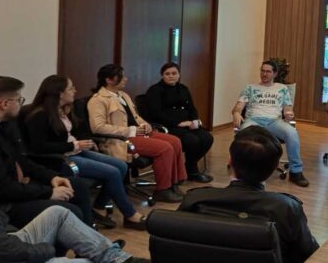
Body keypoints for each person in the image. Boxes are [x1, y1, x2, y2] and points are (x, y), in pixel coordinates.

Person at [0, 125, 148, 263]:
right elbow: (8, 252)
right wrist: (47, 248)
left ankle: (116, 258)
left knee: (58, 214)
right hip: (0, 256)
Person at [0, 76, 92, 228]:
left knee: (77, 186)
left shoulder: (5, 124)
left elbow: (21, 160)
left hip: (15, 187)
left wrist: (51, 177)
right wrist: (49, 192)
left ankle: (90, 242)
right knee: (70, 211)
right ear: (5, 104)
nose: (21, 104)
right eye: (19, 100)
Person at [179, 126, 319, 263]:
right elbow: (309, 255)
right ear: (273, 168)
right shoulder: (287, 209)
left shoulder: (195, 199)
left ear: (230, 161)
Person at [25, 75, 147, 230]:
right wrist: (73, 145)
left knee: (122, 166)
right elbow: (39, 147)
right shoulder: (40, 115)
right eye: (71, 88)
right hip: (59, 159)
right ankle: (130, 215)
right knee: (113, 172)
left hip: (75, 151)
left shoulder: (63, 109)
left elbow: (72, 133)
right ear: (59, 93)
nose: (75, 90)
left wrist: (84, 142)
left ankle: (99, 207)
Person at [87, 64, 187, 203]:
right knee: (165, 148)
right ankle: (163, 190)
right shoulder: (97, 100)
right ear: (109, 80)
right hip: (121, 139)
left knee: (175, 141)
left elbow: (135, 117)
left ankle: (173, 182)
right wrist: (130, 130)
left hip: (137, 133)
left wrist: (145, 125)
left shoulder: (123, 95)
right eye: (121, 76)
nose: (125, 79)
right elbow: (98, 128)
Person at [231, 61, 309, 187]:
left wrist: (288, 113)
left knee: (292, 133)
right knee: (243, 135)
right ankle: (241, 171)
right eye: (262, 71)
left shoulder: (282, 89)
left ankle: (296, 171)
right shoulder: (250, 88)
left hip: (274, 121)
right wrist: (236, 113)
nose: (264, 74)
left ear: (275, 74)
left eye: (268, 71)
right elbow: (238, 107)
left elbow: (288, 108)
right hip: (253, 120)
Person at [144, 62, 214, 183]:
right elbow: (156, 113)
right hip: (167, 126)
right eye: (167, 74)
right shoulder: (155, 90)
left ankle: (188, 166)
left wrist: (194, 120)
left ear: (179, 75)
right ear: (162, 75)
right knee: (192, 140)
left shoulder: (183, 88)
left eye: (174, 73)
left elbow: (192, 108)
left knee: (207, 138)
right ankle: (192, 171)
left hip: (187, 124)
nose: (171, 76)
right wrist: (178, 123)